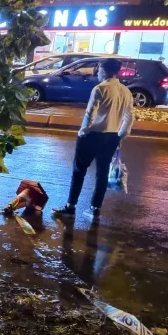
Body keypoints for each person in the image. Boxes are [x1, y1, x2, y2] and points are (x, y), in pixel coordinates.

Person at [53, 58, 134, 218]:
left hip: (93, 135)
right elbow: (129, 117)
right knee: (102, 173)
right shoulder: (126, 91)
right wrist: (122, 134)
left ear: (103, 71)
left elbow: (91, 113)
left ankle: (71, 206)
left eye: (98, 70)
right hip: (112, 137)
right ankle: (95, 208)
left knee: (79, 171)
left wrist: (83, 132)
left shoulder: (99, 89)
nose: (97, 73)